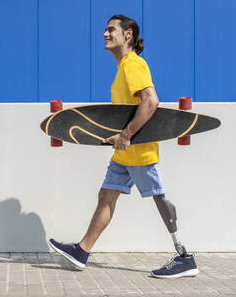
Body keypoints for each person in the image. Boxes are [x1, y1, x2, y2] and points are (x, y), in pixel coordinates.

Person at [48, 14, 199, 279]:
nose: (105, 34)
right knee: (106, 196)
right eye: (105, 30)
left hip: (138, 151)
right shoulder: (122, 70)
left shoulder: (133, 65)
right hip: (124, 153)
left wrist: (126, 134)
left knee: (159, 197)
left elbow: (150, 101)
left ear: (128, 34)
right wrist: (120, 137)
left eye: (111, 29)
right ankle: (82, 251)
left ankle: (184, 256)